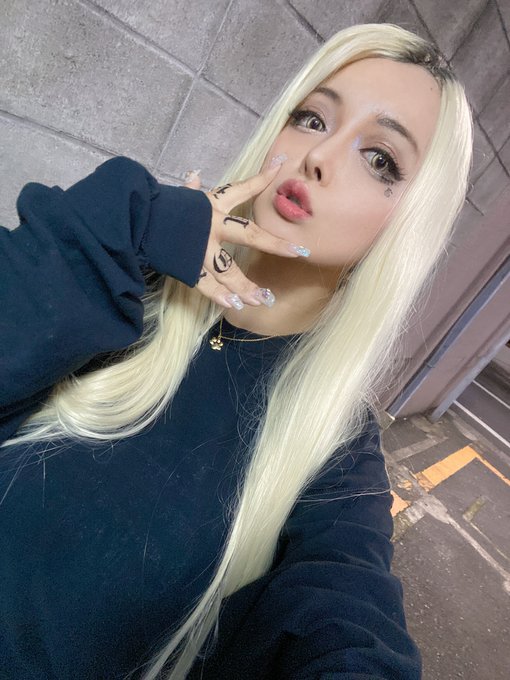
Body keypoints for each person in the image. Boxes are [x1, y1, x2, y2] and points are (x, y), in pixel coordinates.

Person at [0, 21, 472, 680]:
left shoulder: (336, 451)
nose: (318, 155)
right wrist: (126, 225)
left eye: (379, 159)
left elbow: (347, 617)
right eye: (312, 118)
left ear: (408, 225)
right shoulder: (127, 270)